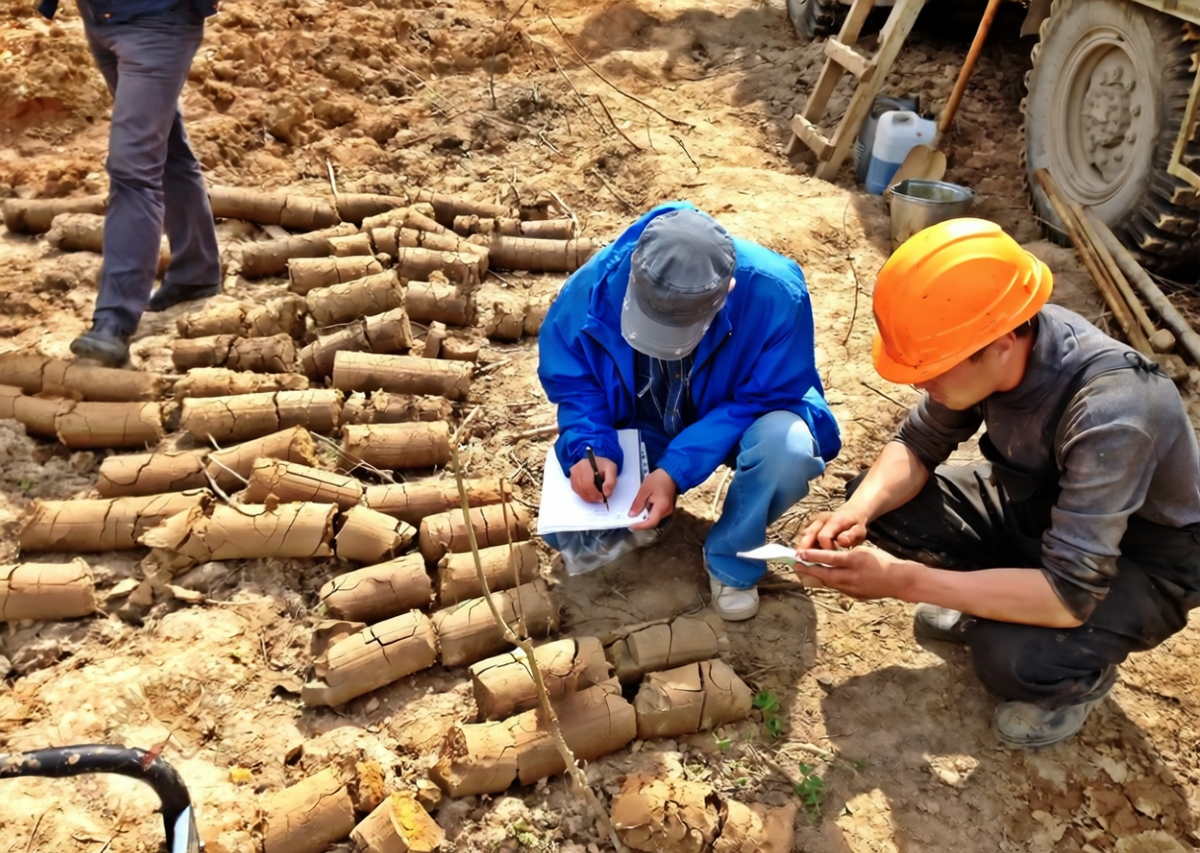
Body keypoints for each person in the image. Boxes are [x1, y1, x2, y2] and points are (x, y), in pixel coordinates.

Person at [796, 218, 1200, 748]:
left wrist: (903, 581)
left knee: (1011, 657)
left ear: (1002, 343)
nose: (922, 382)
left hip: (1140, 559)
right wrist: (857, 514)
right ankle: (1001, 597)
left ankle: (1077, 678)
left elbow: (1069, 592)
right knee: (882, 504)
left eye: (934, 368)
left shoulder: (1113, 411)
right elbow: (918, 443)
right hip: (1041, 509)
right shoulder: (989, 337)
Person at [537, 202, 841, 621]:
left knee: (787, 449)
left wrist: (675, 470)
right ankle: (651, 508)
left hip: (741, 419)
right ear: (633, 277)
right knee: (567, 533)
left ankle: (733, 558)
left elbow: (764, 396)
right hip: (647, 416)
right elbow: (575, 380)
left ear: (727, 292)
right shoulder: (593, 287)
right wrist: (591, 444)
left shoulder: (775, 293)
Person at [38, 0, 223, 367]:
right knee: (166, 148)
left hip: (157, 22)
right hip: (100, 18)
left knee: (133, 169)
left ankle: (114, 320)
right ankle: (196, 270)